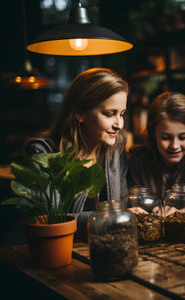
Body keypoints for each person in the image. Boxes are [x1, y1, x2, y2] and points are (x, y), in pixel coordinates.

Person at [25, 68, 129, 238]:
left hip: (99, 249)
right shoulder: (42, 152)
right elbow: (48, 220)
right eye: (110, 114)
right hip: (49, 251)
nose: (119, 124)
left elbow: (123, 205)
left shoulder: (115, 150)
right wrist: (109, 218)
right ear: (80, 113)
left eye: (122, 114)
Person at [127, 92, 185, 201]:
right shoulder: (137, 162)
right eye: (165, 137)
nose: (175, 146)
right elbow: (132, 204)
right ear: (153, 133)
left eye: (182, 137)